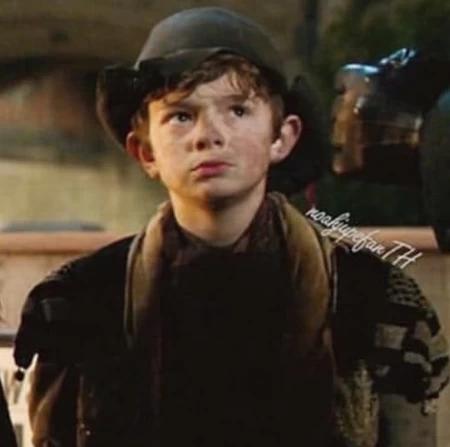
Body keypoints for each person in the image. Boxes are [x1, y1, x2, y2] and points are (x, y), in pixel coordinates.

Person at [12, 7, 449, 447]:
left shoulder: (374, 301)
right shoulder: (78, 303)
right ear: (145, 151)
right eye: (181, 116)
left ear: (282, 137)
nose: (209, 135)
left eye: (238, 110)